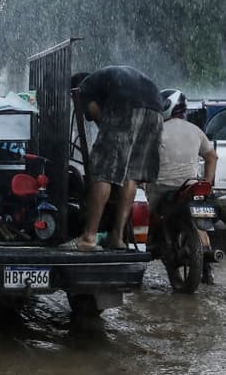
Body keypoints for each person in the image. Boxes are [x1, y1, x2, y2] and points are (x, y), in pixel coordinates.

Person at [62, 65, 164, 251]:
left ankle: (89, 237)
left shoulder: (83, 87)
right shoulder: (108, 79)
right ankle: (117, 236)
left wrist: (111, 140)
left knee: (103, 172)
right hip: (156, 108)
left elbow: (95, 113)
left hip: (126, 106)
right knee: (131, 174)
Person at [146, 88, 219, 283]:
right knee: (200, 221)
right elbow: (212, 156)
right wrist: (208, 183)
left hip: (161, 188)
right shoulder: (196, 130)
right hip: (191, 187)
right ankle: (208, 269)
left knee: (144, 221)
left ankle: (139, 257)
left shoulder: (155, 130)